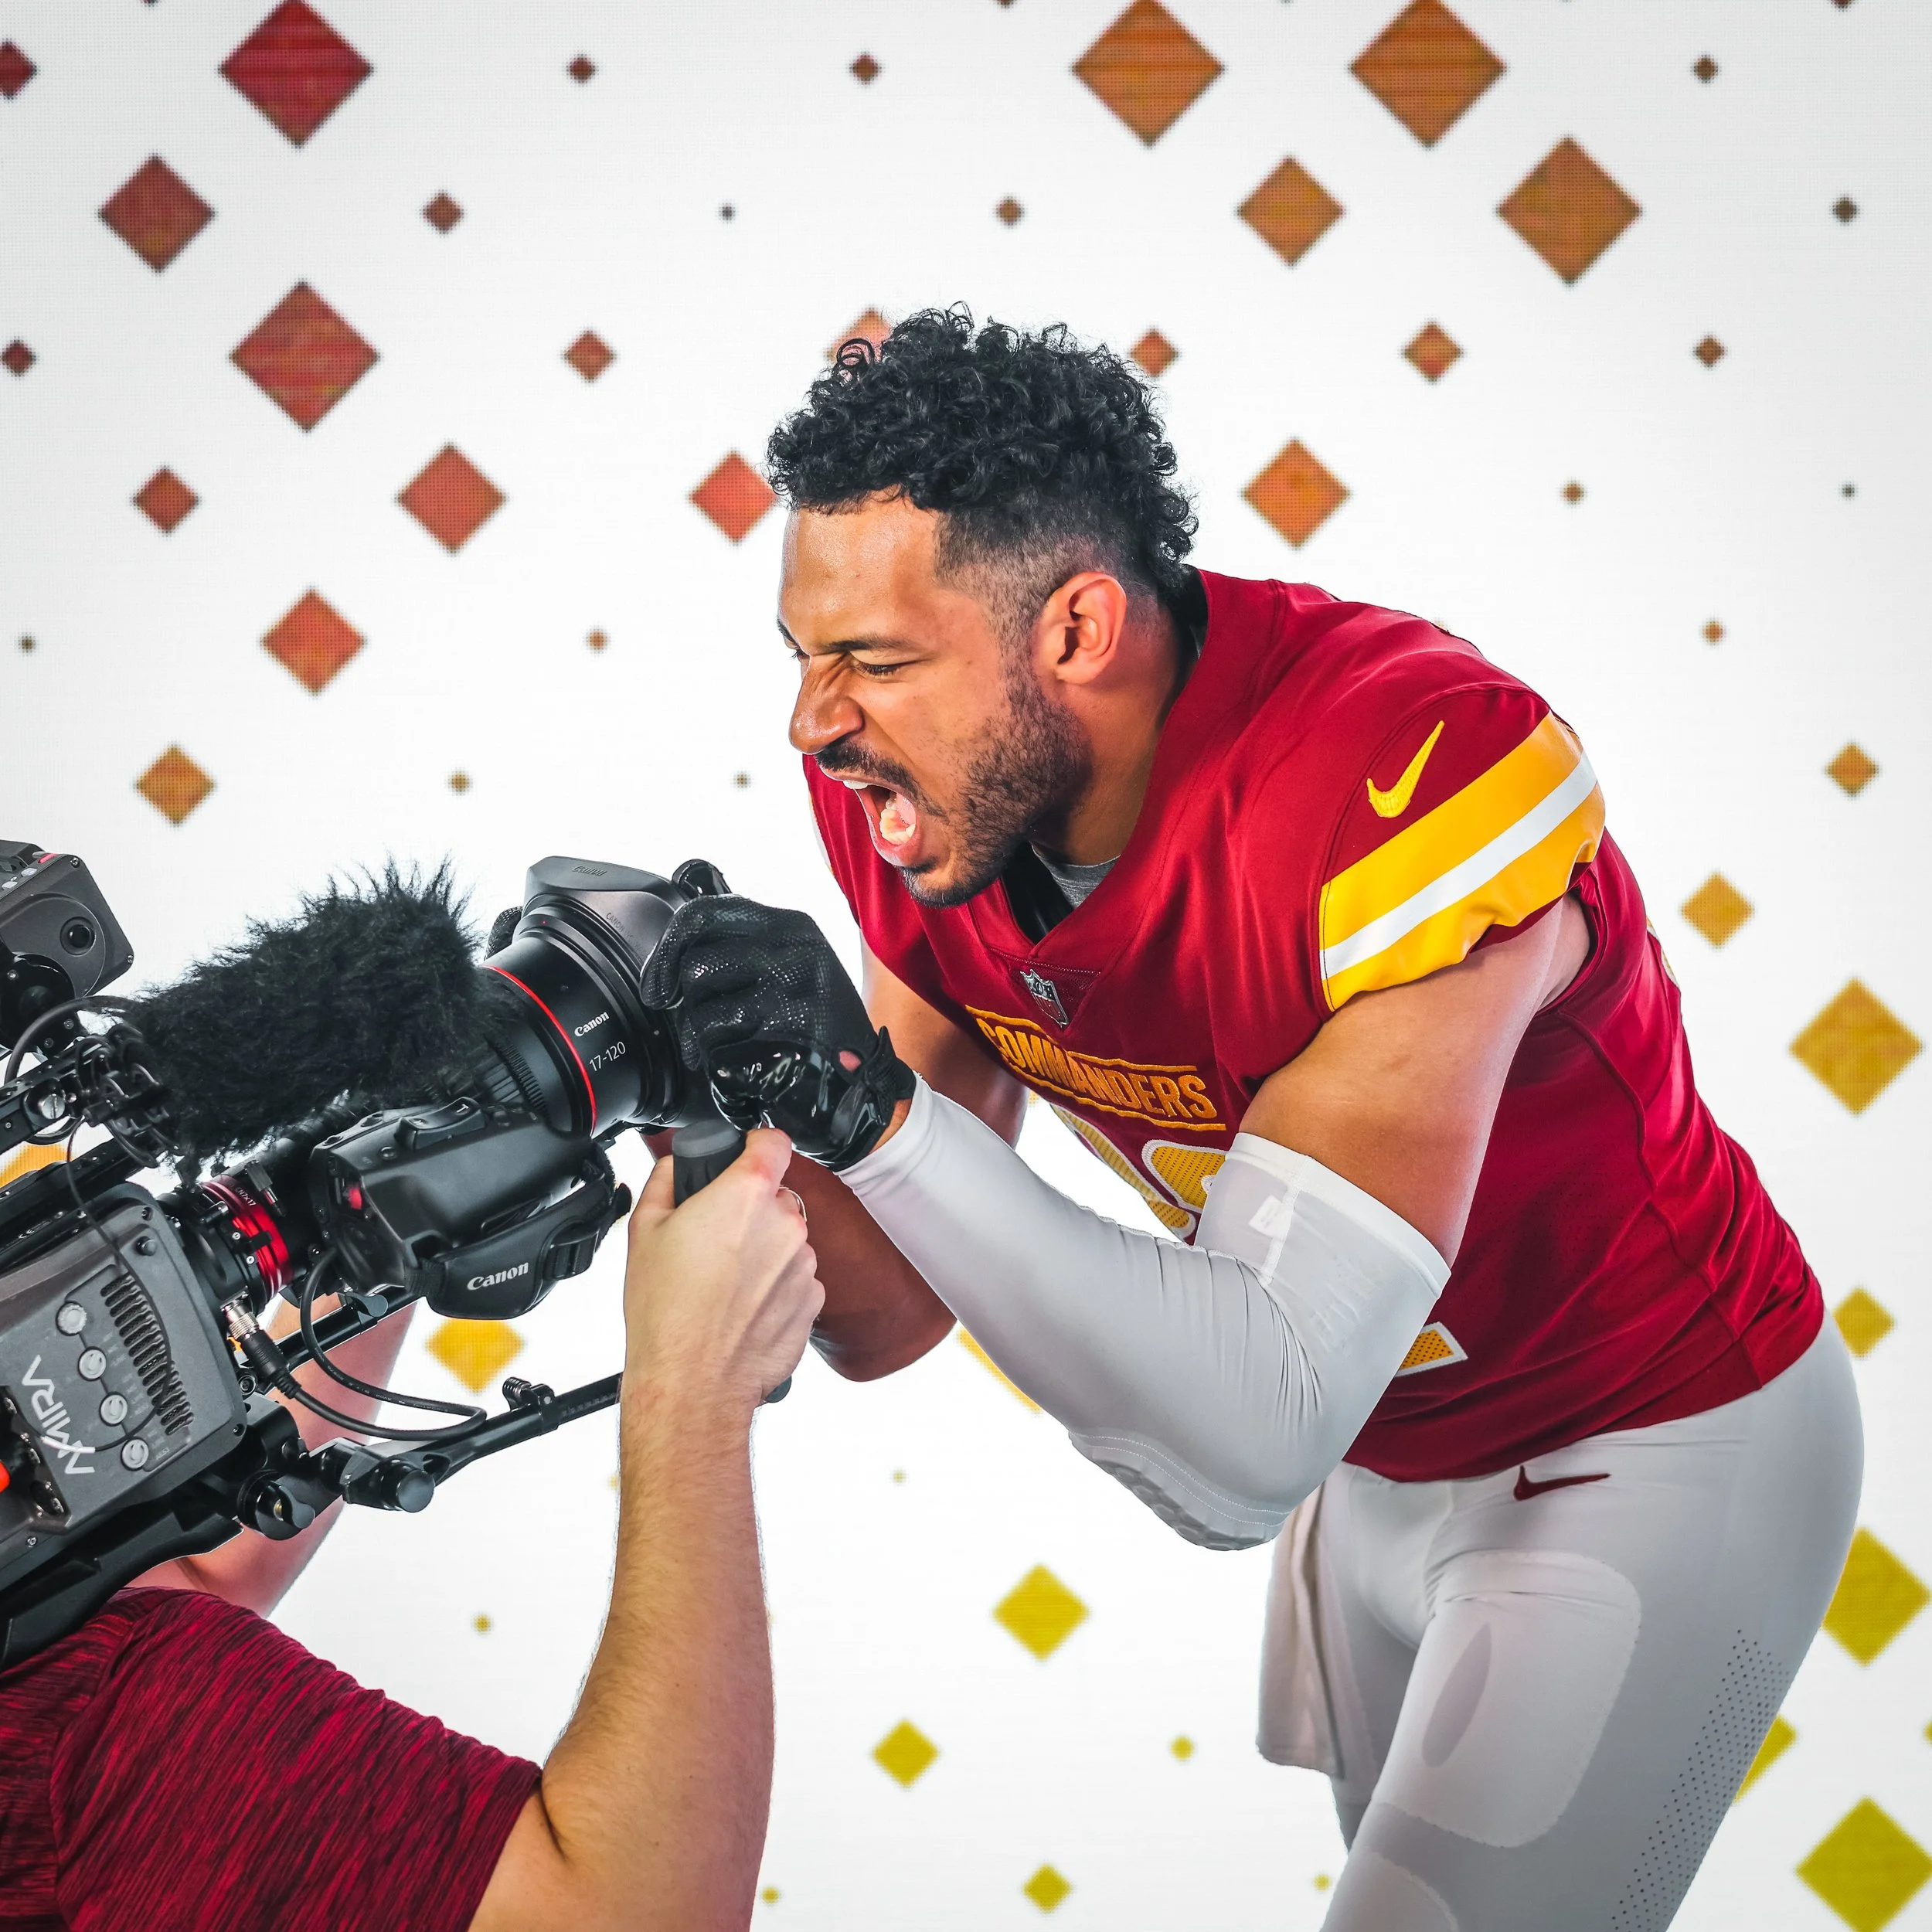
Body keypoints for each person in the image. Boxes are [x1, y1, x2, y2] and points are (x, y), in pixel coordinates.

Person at [637, 308, 1865, 1931]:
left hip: (1637, 1431)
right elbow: (879, 1315)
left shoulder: (1399, 771)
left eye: (871, 660)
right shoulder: (942, 785)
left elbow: (1241, 1440)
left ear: (1074, 625)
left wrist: (859, 1109)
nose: (814, 722)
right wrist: (713, 1093)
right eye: (805, 655)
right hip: (1375, 1458)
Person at [0, 1130, 821, 1932]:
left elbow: (178, 1570)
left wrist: (365, 1221)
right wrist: (696, 1384)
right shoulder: (98, 1725)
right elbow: (641, 1912)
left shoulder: (71, 1665)